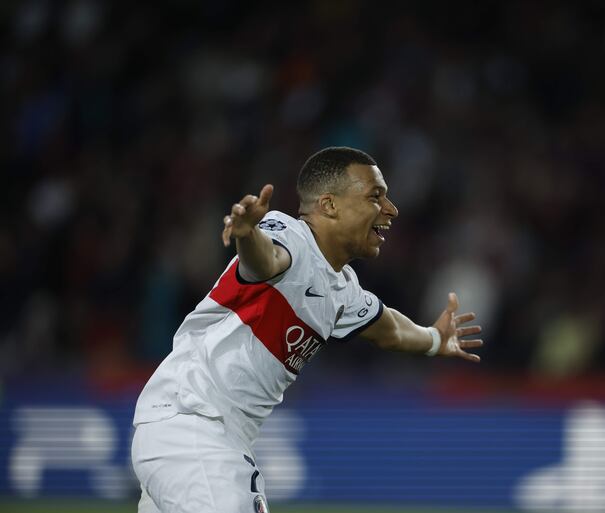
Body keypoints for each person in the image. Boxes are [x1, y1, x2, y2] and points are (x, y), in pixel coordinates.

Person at [130, 147, 483, 513]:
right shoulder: (290, 237)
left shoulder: (341, 289)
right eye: (375, 197)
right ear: (329, 205)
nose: (390, 209)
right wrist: (247, 233)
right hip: (194, 424)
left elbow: (389, 329)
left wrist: (434, 339)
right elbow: (266, 259)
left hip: (201, 434)